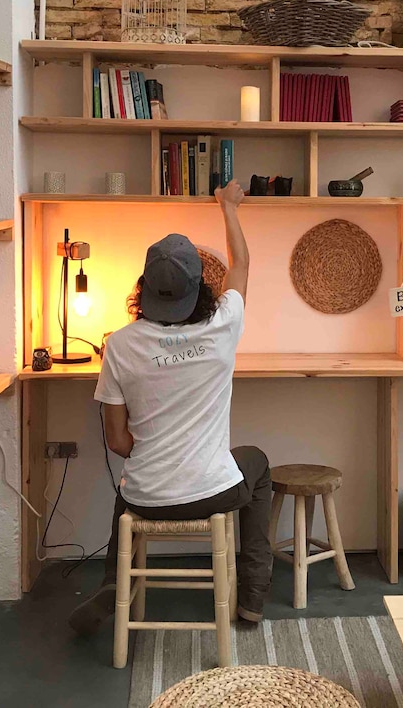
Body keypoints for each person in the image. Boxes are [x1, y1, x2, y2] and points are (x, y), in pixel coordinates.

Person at [69, 180, 271, 635]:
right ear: (200, 287)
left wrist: (158, 454)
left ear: (144, 288)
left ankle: (114, 583)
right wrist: (228, 206)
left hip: (145, 498)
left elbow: (117, 441)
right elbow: (241, 265)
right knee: (256, 462)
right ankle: (253, 595)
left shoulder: (120, 346)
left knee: (129, 487)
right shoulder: (223, 326)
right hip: (213, 492)